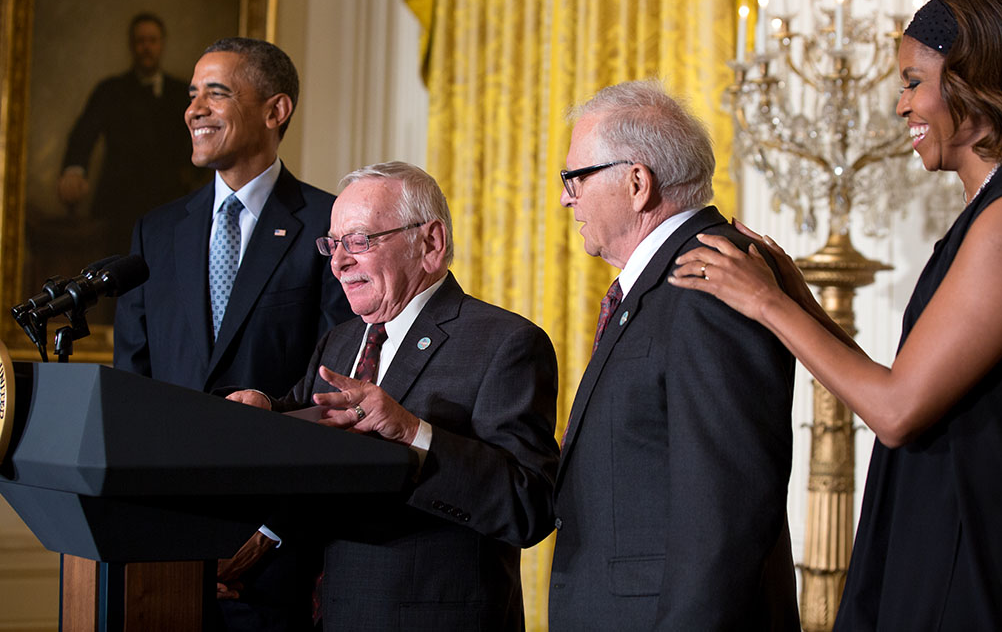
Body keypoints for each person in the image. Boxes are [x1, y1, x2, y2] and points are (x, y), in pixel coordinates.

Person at [670, 0, 1002, 631]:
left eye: (912, 81)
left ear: (973, 77)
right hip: (952, 542)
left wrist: (766, 305)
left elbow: (895, 411)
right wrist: (800, 301)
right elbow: (902, 387)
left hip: (981, 569)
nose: (901, 106)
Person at [226, 161, 560, 631]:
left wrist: (414, 435)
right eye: (334, 245)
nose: (340, 262)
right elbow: (312, 437)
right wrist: (267, 413)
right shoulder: (339, 341)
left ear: (430, 243)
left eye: (359, 241)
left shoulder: (505, 343)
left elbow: (530, 508)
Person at [113, 37, 353, 631]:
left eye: (215, 92)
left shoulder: (333, 226)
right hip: (162, 551)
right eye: (193, 94)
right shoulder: (156, 232)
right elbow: (132, 386)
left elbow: (339, 389)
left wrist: (271, 533)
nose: (193, 108)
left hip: (279, 558)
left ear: (277, 110)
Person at [547, 80, 800, 630]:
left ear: (637, 182)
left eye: (575, 178)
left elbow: (726, 510)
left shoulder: (709, 279)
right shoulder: (669, 281)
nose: (567, 196)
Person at [58, 12, 206, 258]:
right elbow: (84, 133)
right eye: (140, 41)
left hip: (169, 203)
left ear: (162, 44)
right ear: (131, 46)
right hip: (118, 208)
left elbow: (202, 136)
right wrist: (74, 169)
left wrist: (193, 173)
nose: (146, 47)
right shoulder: (110, 91)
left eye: (152, 40)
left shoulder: (183, 93)